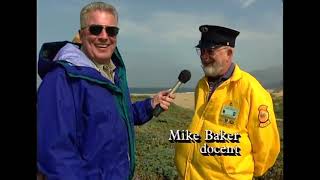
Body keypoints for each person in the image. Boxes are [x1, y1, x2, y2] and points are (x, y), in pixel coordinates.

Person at [37, 2, 175, 180]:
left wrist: (150, 105)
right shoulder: (61, 79)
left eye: (111, 31)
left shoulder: (111, 73)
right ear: (81, 34)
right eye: (96, 29)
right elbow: (55, 156)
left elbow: (112, 117)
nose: (104, 36)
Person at [174, 25, 280, 180]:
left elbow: (267, 147)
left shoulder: (251, 90)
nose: (204, 56)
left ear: (229, 53)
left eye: (210, 51)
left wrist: (241, 173)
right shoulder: (201, 85)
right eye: (201, 51)